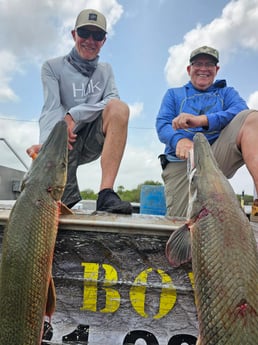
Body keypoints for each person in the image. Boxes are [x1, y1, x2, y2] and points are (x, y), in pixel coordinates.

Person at [27, 9, 132, 214]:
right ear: (74, 34)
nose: (90, 41)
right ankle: (63, 196)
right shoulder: (52, 67)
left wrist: (74, 114)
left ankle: (106, 193)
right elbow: (51, 108)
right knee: (56, 205)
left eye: (98, 35)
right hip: (66, 141)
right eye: (84, 33)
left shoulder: (106, 70)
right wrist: (49, 144)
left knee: (119, 108)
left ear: (104, 40)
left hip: (93, 140)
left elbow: (112, 100)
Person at [156, 45, 258, 217]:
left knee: (252, 118)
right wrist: (179, 140)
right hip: (182, 163)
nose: (203, 69)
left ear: (216, 70)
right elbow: (162, 124)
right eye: (198, 64)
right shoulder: (173, 94)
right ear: (189, 69)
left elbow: (240, 110)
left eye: (209, 64)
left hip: (215, 158)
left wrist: (202, 120)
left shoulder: (227, 93)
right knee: (179, 226)